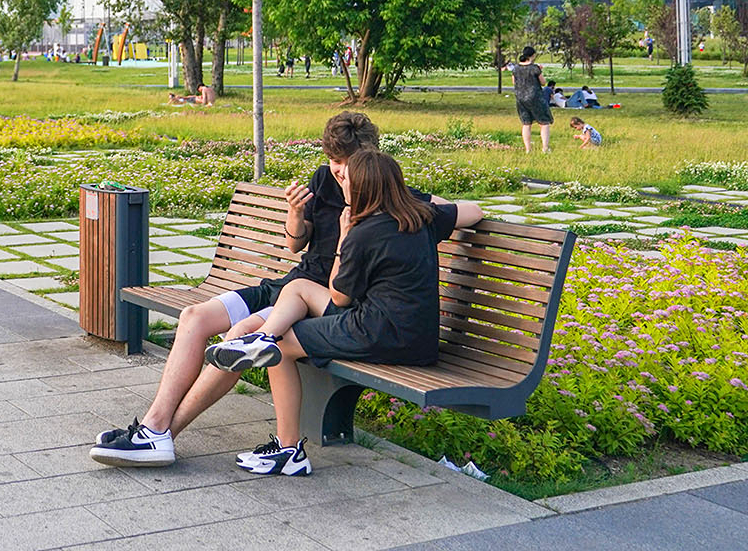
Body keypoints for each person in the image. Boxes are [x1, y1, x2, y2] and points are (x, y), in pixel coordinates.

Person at [90, 112, 424, 467]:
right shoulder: (324, 182)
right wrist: (294, 213)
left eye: (344, 164)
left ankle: (156, 432)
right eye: (333, 161)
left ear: (370, 158)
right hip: (287, 286)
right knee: (194, 317)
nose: (337, 171)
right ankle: (155, 432)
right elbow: (296, 244)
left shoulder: (388, 192)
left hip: (314, 300)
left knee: (240, 337)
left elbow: (445, 211)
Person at [206, 149, 483, 476]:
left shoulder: (363, 231)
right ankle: (261, 336)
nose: (342, 186)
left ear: (362, 189)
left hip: (378, 333)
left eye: (347, 181)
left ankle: (288, 449)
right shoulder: (422, 217)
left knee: (280, 351)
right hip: (416, 337)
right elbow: (474, 211)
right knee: (298, 288)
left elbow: (339, 294)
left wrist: (344, 237)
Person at [506, 46, 551, 152]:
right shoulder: (534, 68)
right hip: (535, 97)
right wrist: (540, 70)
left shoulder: (515, 69)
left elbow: (514, 82)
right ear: (533, 55)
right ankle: (545, 148)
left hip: (521, 98)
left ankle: (528, 149)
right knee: (544, 123)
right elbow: (543, 82)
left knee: (526, 123)